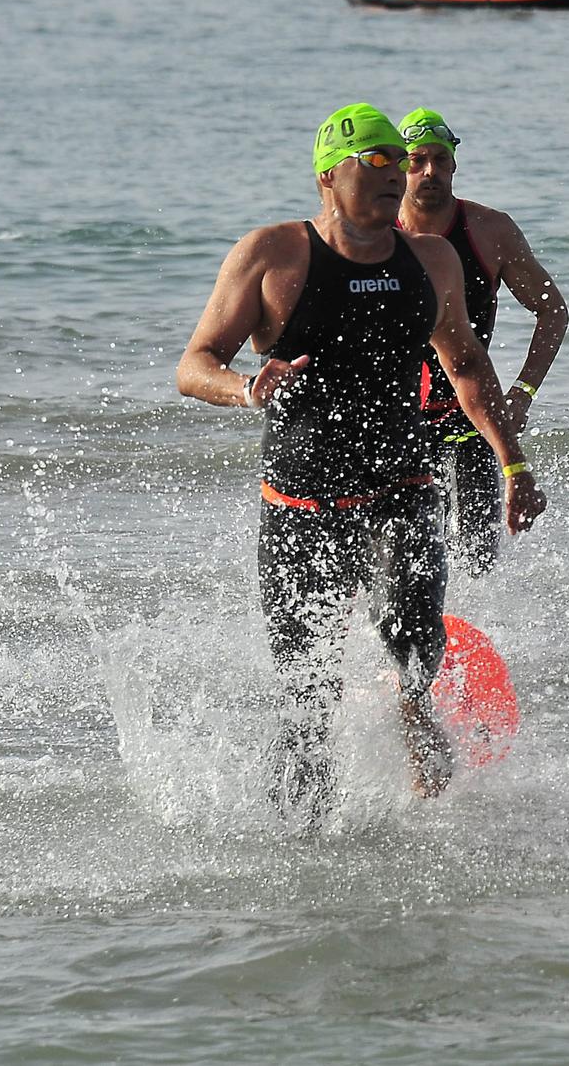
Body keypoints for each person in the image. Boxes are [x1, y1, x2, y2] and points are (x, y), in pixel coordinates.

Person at [176, 103, 546, 822]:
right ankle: (300, 847)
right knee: (305, 698)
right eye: (373, 162)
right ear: (327, 176)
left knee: (416, 655)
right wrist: (246, 388)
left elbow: (467, 364)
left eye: (396, 160)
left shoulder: (431, 261)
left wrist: (512, 462)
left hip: (404, 489)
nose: (394, 174)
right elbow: (195, 363)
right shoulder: (272, 255)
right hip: (301, 504)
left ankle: (426, 785)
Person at [394, 107, 568, 576]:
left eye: (440, 160)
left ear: (454, 165)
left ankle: (476, 636)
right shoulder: (372, 235)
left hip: (473, 414)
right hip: (395, 418)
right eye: (416, 160)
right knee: (403, 553)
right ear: (397, 166)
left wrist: (522, 394)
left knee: (478, 560)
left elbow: (552, 310)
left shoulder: (491, 231)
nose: (429, 171)